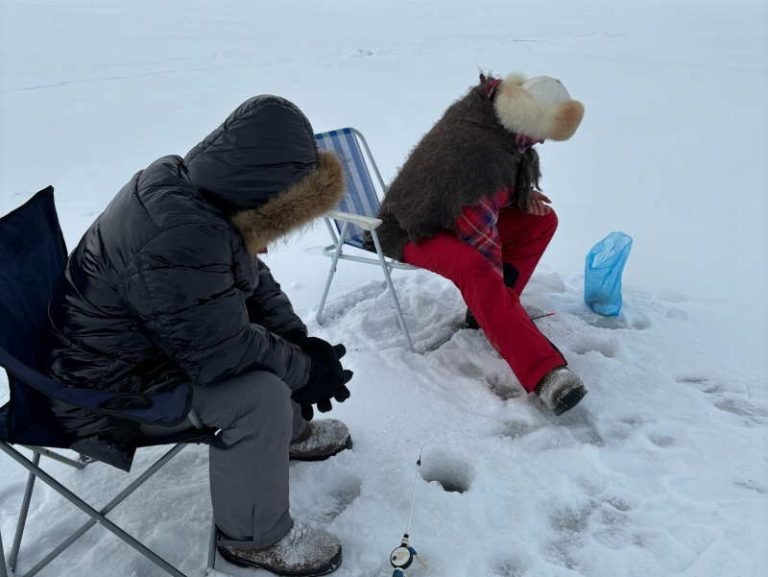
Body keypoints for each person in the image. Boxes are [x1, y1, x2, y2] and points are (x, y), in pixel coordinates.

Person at [47, 95, 354, 576]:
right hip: (104, 391)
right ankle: (254, 538)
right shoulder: (182, 235)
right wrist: (302, 372)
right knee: (261, 395)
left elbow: (247, 276)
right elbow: (222, 353)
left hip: (137, 347)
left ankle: (286, 436)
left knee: (276, 355)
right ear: (262, 195)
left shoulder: (188, 186)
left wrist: (299, 342)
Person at [374, 73, 588, 415]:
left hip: (448, 213)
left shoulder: (501, 125)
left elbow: (486, 192)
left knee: (541, 222)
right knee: (476, 269)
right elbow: (477, 220)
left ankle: (489, 313)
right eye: (544, 133)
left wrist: (522, 196)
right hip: (411, 227)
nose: (543, 143)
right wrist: (494, 289)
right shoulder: (479, 146)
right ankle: (544, 373)